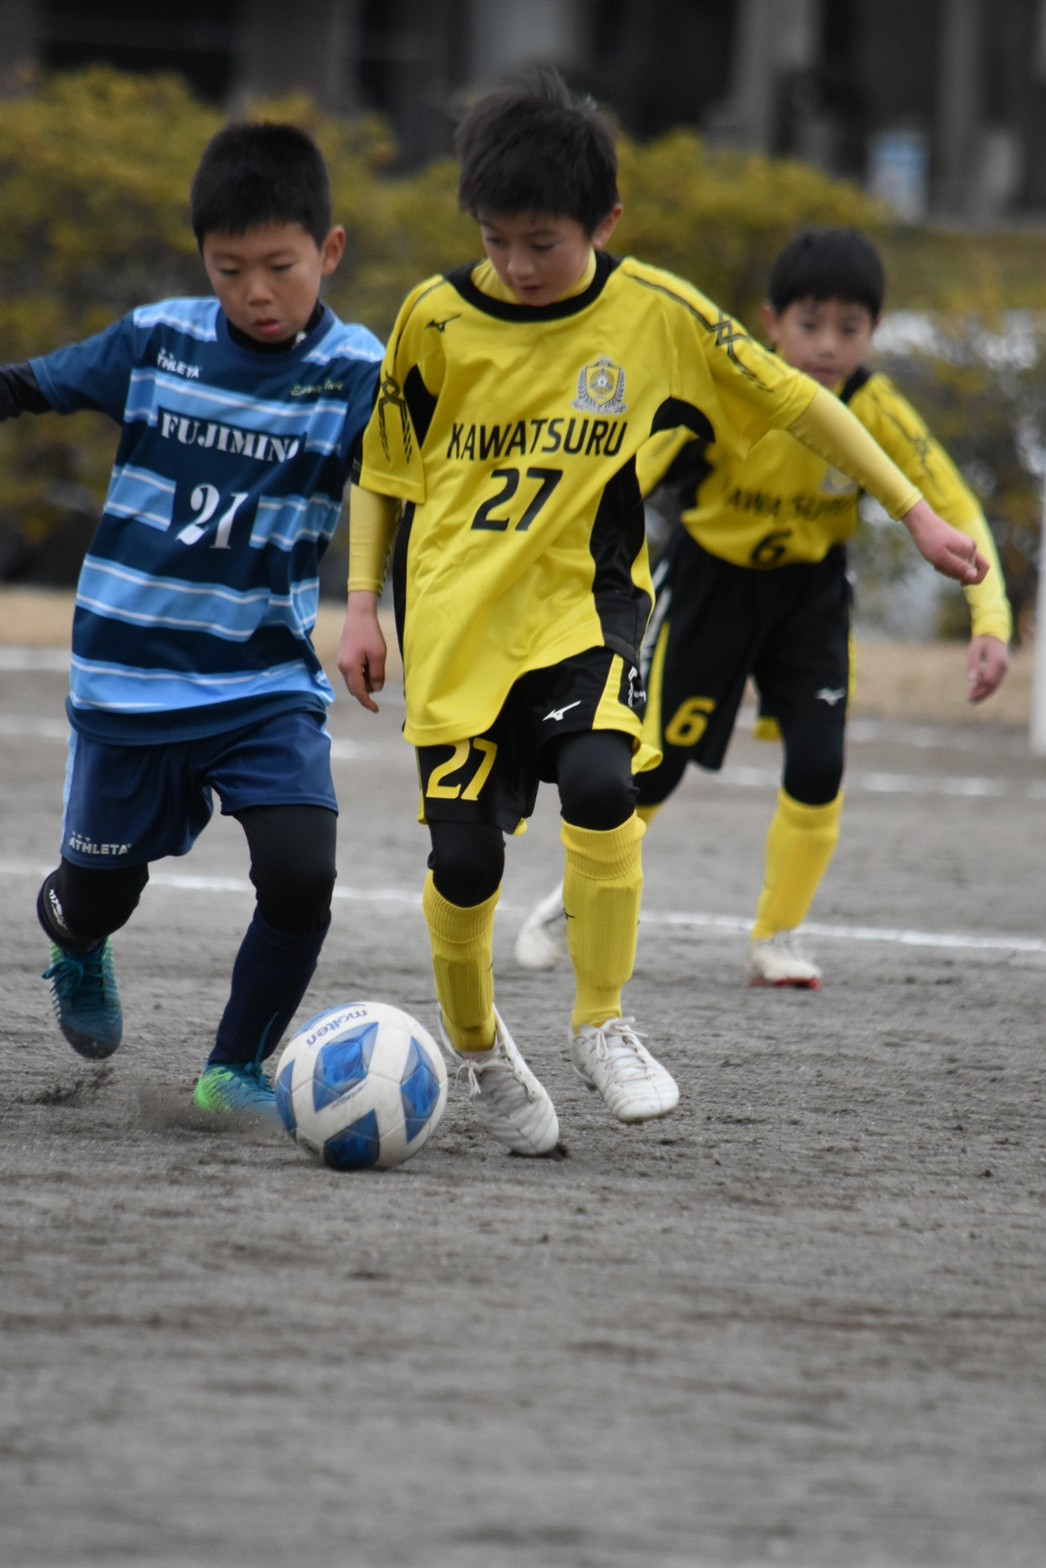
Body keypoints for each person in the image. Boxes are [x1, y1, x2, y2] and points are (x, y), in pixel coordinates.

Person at [337, 77, 990, 1158]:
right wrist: (362, 607)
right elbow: (382, 470)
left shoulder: (656, 314)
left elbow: (796, 397)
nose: (513, 263)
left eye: (539, 241)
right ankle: (480, 1047)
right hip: (452, 625)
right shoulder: (432, 318)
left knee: (603, 782)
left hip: (582, 608)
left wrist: (913, 512)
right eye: (494, 239)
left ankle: (602, 1019)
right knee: (464, 866)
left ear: (604, 223)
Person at [1, 121, 383, 1115]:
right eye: (229, 268)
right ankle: (76, 939)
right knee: (98, 893)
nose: (255, 291)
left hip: (262, 680)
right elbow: (29, 386)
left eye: (280, 267)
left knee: (302, 870)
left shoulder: (354, 371)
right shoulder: (155, 341)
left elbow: (421, 481)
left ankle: (236, 1068)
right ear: (202, 260)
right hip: (129, 680)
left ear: (328, 251)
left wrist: (377, 606)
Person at [514, 226, 1011, 987]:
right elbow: (613, 484)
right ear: (771, 323)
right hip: (711, 588)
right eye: (810, 325)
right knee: (652, 769)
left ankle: (777, 938)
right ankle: (569, 905)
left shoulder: (875, 408)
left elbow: (955, 512)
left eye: (850, 329)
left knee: (819, 765)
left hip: (810, 599)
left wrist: (990, 620)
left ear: (873, 332)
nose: (828, 345)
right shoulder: (733, 396)